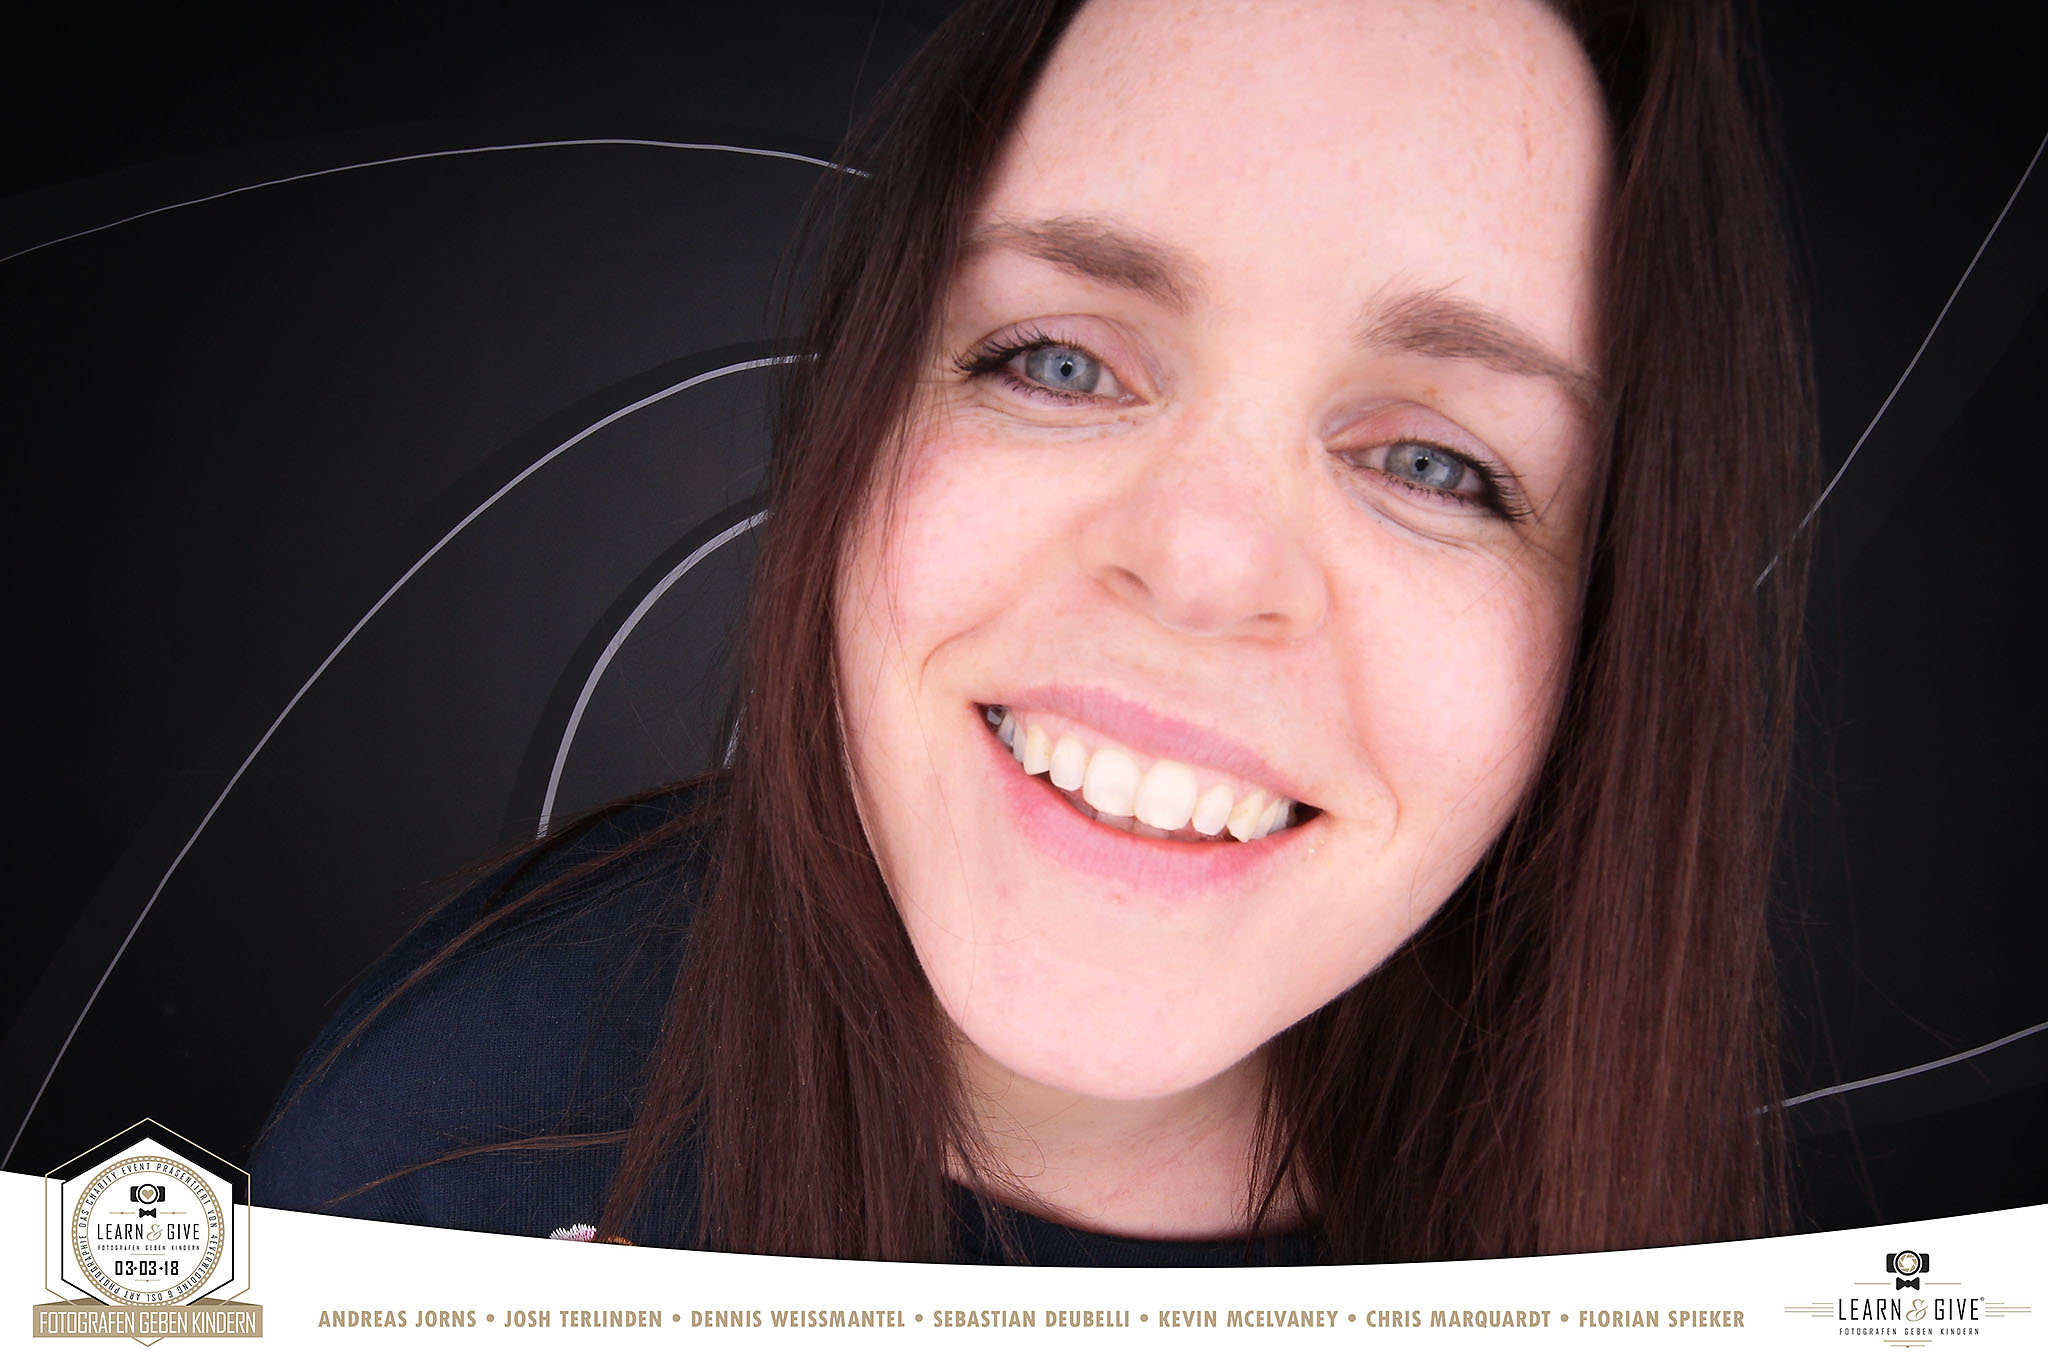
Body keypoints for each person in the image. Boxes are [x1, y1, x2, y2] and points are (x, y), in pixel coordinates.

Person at [254, 0, 1815, 1266]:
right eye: (1059, 362)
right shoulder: (438, 1166)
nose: (1202, 566)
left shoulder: (1682, 1239)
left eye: (1431, 463)